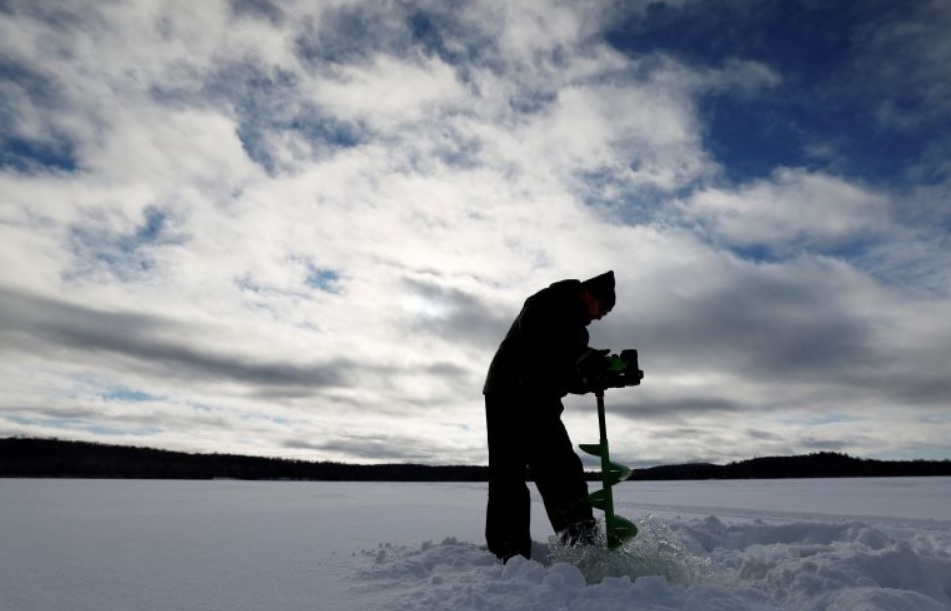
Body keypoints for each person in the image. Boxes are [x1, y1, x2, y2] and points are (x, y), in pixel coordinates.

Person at [482, 270, 616, 561]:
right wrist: (583, 357)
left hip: (538, 399)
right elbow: (543, 337)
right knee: (509, 475)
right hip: (508, 393)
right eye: (602, 309)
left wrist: (590, 378)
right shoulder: (548, 301)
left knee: (561, 470)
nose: (599, 317)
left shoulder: (578, 331)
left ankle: (581, 545)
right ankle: (508, 553)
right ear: (589, 294)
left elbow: (563, 371)